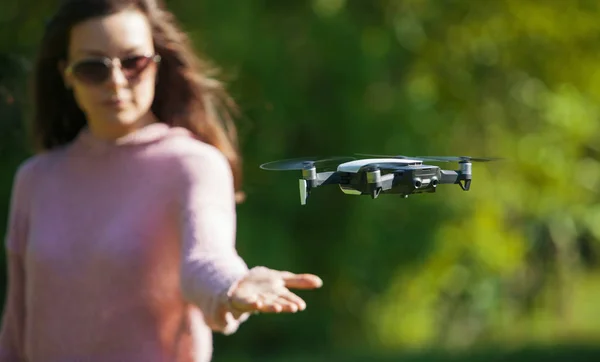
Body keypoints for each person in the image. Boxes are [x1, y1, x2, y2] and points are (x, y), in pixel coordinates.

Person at [0, 0, 323, 361]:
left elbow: (205, 259)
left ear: (157, 63)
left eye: (133, 62)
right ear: (66, 73)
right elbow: (16, 324)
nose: (117, 81)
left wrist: (234, 286)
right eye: (94, 68)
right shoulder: (35, 180)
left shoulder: (193, 164)